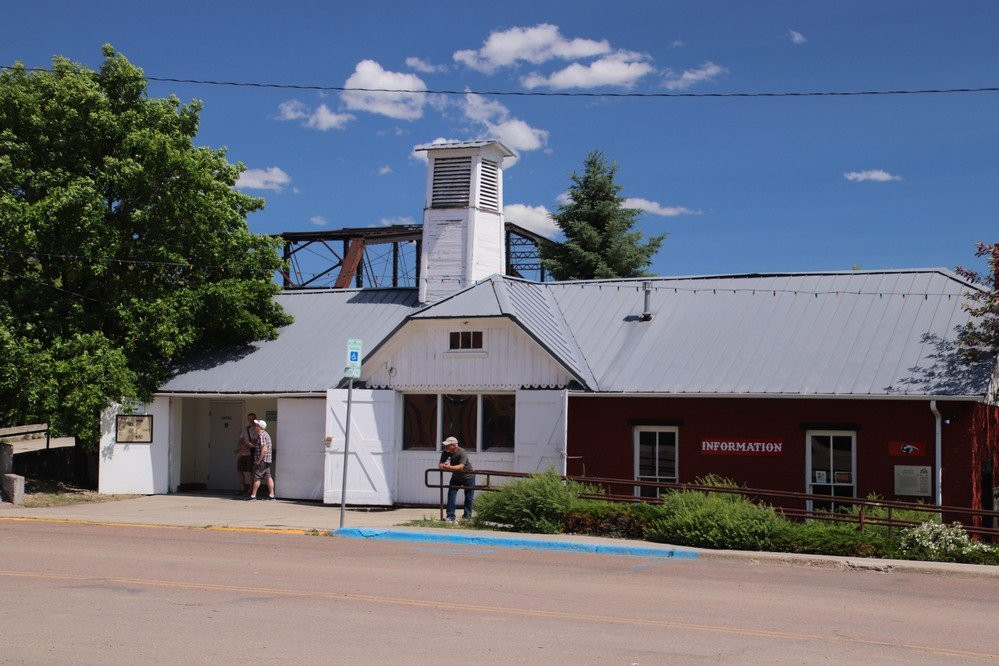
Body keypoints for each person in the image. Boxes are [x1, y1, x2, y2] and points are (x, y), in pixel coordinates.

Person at [439, 436, 474, 521]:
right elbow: (440, 465)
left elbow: (461, 467)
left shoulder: (462, 452)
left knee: (469, 497)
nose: (446, 447)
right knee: (451, 495)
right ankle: (450, 517)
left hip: (468, 477)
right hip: (456, 477)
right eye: (445, 445)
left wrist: (449, 467)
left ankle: (467, 517)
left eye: (448, 445)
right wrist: (444, 466)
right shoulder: (445, 452)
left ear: (454, 445)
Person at [247, 419, 275, 500]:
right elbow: (262, 447)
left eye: (256, 425)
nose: (255, 426)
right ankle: (272, 495)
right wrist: (254, 445)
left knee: (256, 477)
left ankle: (253, 496)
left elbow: (264, 449)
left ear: (260, 427)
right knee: (268, 477)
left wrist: (259, 460)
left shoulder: (262, 435)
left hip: (262, 461)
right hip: (267, 460)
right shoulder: (265, 434)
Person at [235, 412, 258, 493]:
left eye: (252, 419)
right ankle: (243, 488)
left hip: (251, 454)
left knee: (251, 471)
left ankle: (251, 489)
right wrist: (241, 446)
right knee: (239, 470)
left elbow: (253, 442)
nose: (251, 420)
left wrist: (242, 450)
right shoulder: (246, 429)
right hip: (243, 453)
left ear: (255, 419)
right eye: (249, 419)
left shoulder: (257, 429)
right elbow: (240, 439)